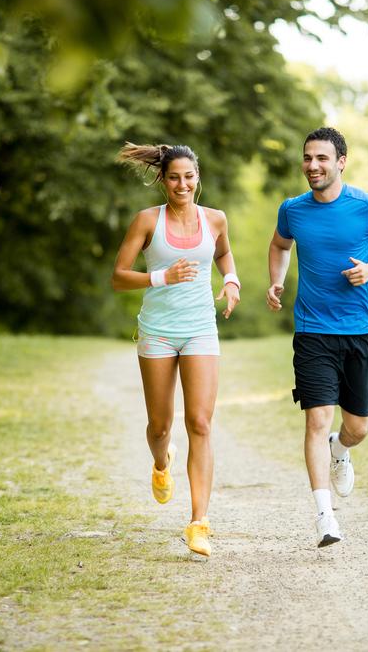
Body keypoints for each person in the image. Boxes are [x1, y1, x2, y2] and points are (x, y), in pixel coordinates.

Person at [267, 127, 368, 547]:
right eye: (308, 158)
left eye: (322, 159)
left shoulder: (367, 206)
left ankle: (340, 450)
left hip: (358, 331)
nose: (313, 166)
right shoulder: (293, 210)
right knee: (316, 418)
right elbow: (279, 246)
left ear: (341, 162)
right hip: (312, 332)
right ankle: (324, 517)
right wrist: (276, 280)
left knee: (358, 428)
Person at [112, 142, 241, 557]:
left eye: (189, 177)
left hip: (201, 328)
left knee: (200, 423)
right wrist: (161, 277)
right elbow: (118, 276)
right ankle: (162, 462)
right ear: (163, 180)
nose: (182, 184)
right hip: (158, 332)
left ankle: (198, 522)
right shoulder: (147, 221)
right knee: (160, 427)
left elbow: (222, 253)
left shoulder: (216, 219)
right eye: (173, 177)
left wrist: (232, 279)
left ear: (197, 177)